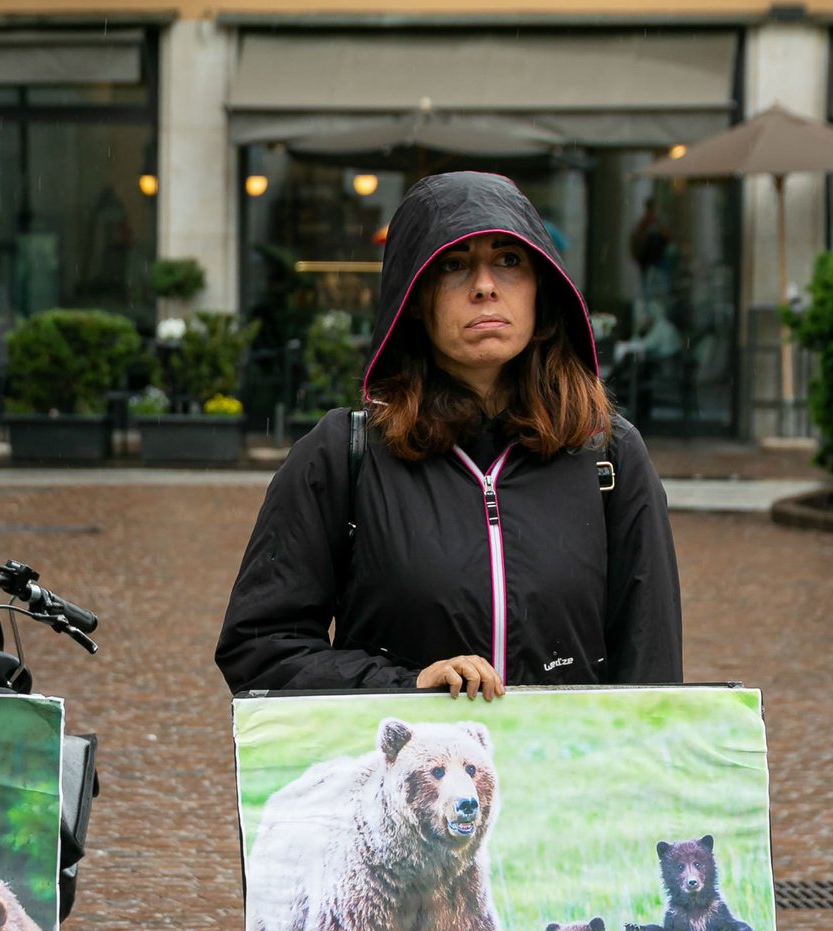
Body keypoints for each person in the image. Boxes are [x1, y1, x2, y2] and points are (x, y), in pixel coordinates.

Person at [215, 171, 683, 697]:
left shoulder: (609, 456)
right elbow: (259, 647)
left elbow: (652, 673)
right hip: (408, 773)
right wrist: (406, 684)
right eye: (454, 266)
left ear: (540, 289)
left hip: (567, 774)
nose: (485, 285)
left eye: (509, 260)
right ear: (415, 297)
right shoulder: (343, 456)